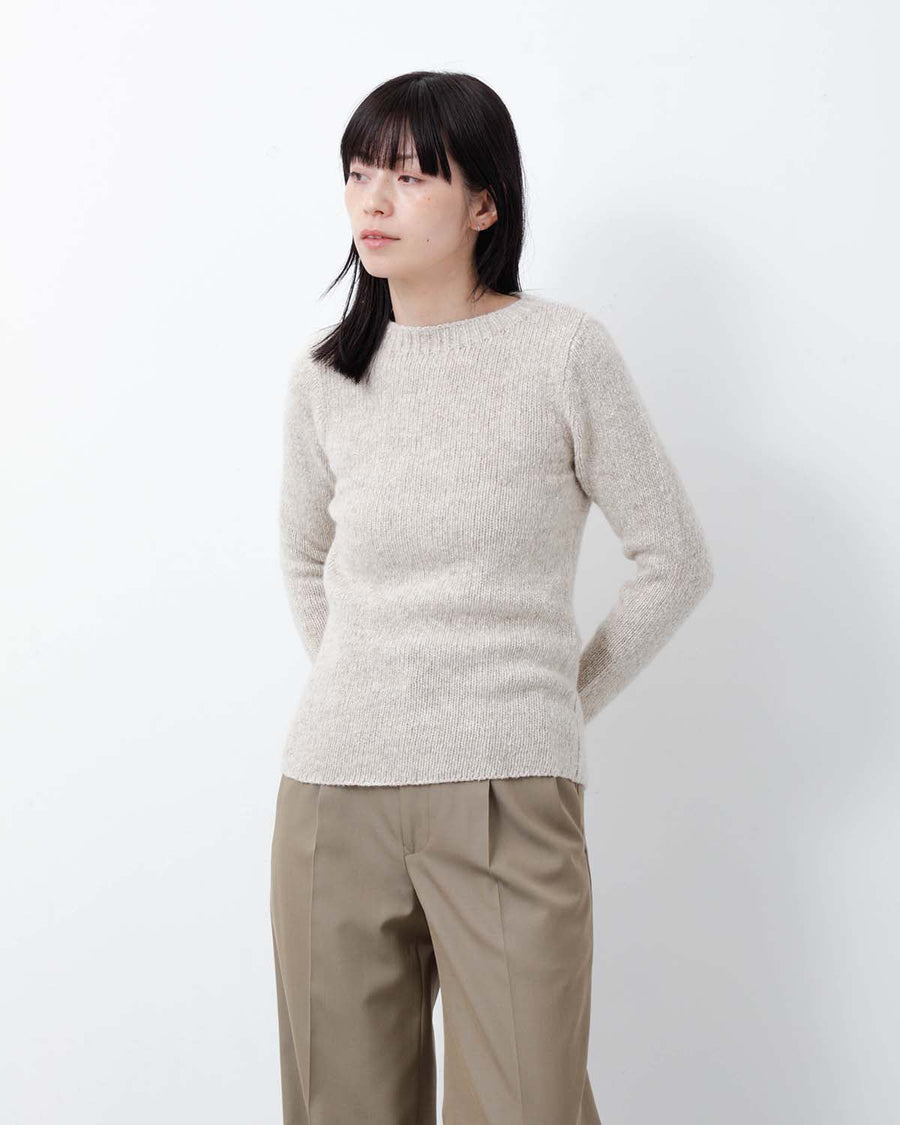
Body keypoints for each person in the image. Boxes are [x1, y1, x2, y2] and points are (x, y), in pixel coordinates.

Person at [269, 69, 714, 1125]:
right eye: (358, 174)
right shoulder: (326, 376)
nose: (374, 201)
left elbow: (674, 558)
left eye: (410, 176)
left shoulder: (563, 352)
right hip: (333, 791)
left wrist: (547, 703)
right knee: (341, 1109)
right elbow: (304, 561)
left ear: (484, 204)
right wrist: (375, 685)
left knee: (525, 1106)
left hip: (509, 792)